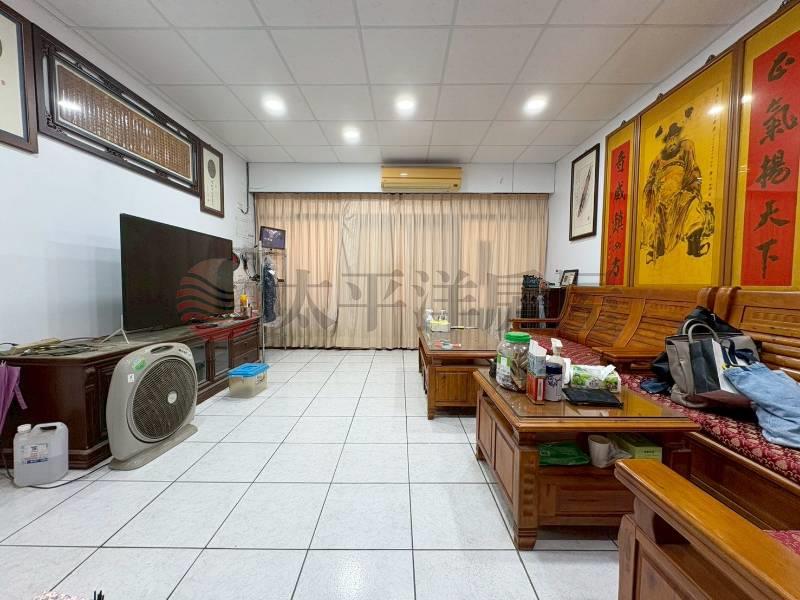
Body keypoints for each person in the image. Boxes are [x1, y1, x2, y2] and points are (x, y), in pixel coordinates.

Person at [641, 122, 715, 264]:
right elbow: (650, 179)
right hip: (661, 199)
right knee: (656, 222)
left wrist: (693, 187)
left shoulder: (686, 148)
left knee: (692, 207)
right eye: (670, 138)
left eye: (675, 137)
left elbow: (695, 172)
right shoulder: (658, 159)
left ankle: (694, 246)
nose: (672, 142)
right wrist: (653, 189)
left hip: (680, 195)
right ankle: (656, 249)